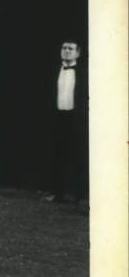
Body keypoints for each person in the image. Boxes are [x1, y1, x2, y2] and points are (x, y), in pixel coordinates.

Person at [43, 39, 88, 205]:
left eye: (70, 48)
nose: (67, 51)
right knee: (57, 155)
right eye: (64, 48)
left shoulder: (84, 72)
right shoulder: (54, 70)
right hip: (58, 117)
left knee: (79, 156)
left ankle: (80, 195)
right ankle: (57, 193)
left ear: (78, 53)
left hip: (77, 119)